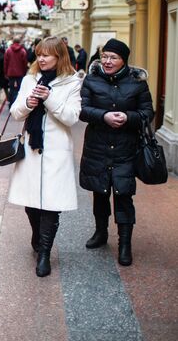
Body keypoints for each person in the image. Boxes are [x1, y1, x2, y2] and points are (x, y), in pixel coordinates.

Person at [7, 36, 82, 277]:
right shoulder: (30, 79)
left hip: (56, 150)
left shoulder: (72, 82)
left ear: (59, 56)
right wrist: (28, 103)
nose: (41, 58)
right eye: (39, 53)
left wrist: (49, 98)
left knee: (51, 205)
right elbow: (16, 113)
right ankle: (37, 235)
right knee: (31, 204)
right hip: (31, 149)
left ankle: (45, 254)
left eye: (47, 54)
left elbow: (72, 117)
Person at [79, 38, 153, 266]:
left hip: (125, 148)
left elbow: (148, 112)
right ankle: (100, 233)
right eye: (105, 56)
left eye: (114, 57)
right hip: (98, 146)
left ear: (124, 61)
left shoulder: (138, 83)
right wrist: (104, 116)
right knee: (100, 192)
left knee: (123, 195)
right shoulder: (91, 80)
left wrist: (128, 117)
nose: (108, 61)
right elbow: (81, 110)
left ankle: (125, 245)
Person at [4, 36, 28, 105]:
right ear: (19, 42)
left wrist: (5, 73)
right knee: (20, 89)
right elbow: (25, 63)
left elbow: (5, 63)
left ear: (13, 41)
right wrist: (24, 72)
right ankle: (18, 104)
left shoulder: (8, 50)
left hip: (10, 73)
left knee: (12, 90)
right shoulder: (23, 51)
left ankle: (11, 104)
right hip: (20, 73)